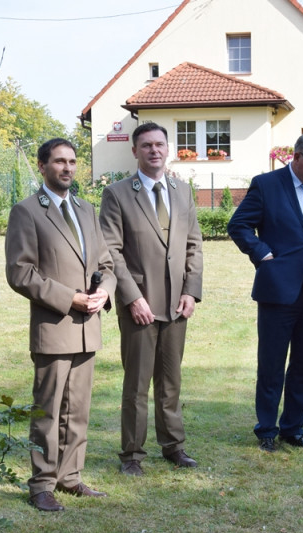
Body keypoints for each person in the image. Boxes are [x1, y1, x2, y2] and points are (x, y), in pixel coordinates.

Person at [5, 138, 116, 512]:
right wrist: (70, 298)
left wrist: (105, 293)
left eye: (72, 161)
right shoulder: (26, 212)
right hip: (54, 326)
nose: (67, 168)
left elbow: (106, 265)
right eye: (59, 162)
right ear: (42, 166)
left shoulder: (86, 209)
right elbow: (20, 273)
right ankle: (41, 485)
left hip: (88, 326)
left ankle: (70, 478)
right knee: (47, 412)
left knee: (78, 410)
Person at [227, 132, 303, 452]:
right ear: (296, 157)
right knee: (271, 364)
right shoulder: (267, 185)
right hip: (277, 291)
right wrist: (262, 254)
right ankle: (266, 430)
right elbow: (239, 225)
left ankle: (293, 429)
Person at [99, 122, 204, 476]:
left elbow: (193, 245)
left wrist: (191, 291)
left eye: (160, 144)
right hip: (139, 306)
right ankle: (131, 454)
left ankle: (174, 446)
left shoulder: (183, 191)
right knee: (137, 384)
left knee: (170, 381)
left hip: (177, 304)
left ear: (168, 148)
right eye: (146, 146)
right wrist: (131, 298)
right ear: (135, 151)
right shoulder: (116, 194)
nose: (154, 151)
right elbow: (111, 251)